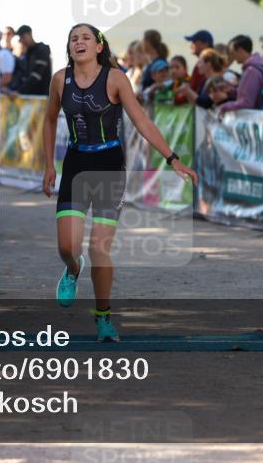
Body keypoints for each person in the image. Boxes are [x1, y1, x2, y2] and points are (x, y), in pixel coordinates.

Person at [41, 24, 197, 342]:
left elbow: (141, 120)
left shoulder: (115, 79)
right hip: (75, 164)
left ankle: (103, 318)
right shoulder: (60, 79)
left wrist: (172, 158)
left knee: (100, 248)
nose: (78, 42)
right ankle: (72, 269)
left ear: (99, 47)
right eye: (73, 38)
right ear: (68, 47)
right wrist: (48, 165)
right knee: (67, 247)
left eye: (85, 38)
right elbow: (48, 119)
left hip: (109, 165)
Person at [217, 35, 263, 114]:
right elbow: (250, 94)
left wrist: (225, 107)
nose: (232, 57)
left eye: (232, 53)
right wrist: (231, 91)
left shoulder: (251, 71)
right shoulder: (254, 68)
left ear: (240, 51)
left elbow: (247, 102)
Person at [8, 25, 52, 96]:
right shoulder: (28, 52)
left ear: (30, 34)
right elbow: (25, 75)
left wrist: (19, 92)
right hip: (30, 97)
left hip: (41, 98)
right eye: (20, 38)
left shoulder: (42, 50)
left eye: (23, 37)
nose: (21, 41)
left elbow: (36, 76)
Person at [184, 29, 214, 94]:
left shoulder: (206, 63)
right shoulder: (202, 62)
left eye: (194, 42)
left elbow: (197, 89)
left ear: (205, 44)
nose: (191, 46)